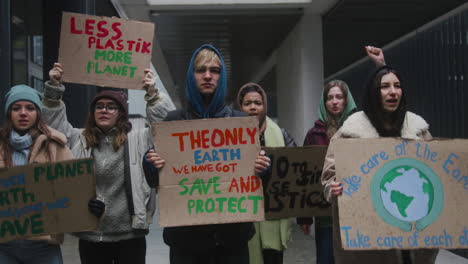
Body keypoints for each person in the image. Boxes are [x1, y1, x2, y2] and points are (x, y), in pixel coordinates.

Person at [143, 44, 271, 264]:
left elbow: (257, 183)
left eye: (215, 70)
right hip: (186, 245)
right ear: (191, 76)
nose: (208, 76)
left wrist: (264, 168)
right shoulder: (173, 123)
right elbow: (158, 181)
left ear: (222, 77)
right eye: (201, 70)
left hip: (232, 243)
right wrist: (151, 164)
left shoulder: (241, 124)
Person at [42, 63, 167, 264]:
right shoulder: (78, 138)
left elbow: (163, 126)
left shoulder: (138, 138)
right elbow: (53, 125)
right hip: (92, 235)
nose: (104, 110)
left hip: (131, 235)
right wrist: (54, 89)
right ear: (93, 113)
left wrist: (152, 93)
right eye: (99, 107)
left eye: (111, 107)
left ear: (121, 113)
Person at [322, 65, 438, 264]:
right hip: (369, 247)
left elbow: (437, 173)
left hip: (413, 242)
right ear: (373, 92)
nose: (393, 92)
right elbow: (329, 177)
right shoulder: (350, 132)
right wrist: (331, 189)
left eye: (397, 86)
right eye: (385, 86)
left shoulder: (419, 130)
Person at [0, 85, 73, 264]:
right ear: (9, 113)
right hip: (4, 246)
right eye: (16, 108)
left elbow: (74, 190)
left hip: (44, 248)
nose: (23, 113)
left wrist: (91, 207)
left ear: (38, 113)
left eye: (30, 108)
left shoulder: (56, 146)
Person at [297, 80, 357, 264]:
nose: (334, 101)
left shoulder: (359, 129)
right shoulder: (314, 134)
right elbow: (304, 176)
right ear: (324, 103)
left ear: (347, 101)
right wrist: (304, 216)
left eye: (339, 97)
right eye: (330, 98)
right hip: (325, 214)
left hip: (355, 213)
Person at [237, 82, 296, 264]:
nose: (253, 107)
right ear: (240, 107)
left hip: (273, 217)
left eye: (257, 102)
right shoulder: (229, 138)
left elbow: (295, 172)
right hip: (244, 219)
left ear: (264, 106)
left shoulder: (282, 135)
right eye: (248, 103)